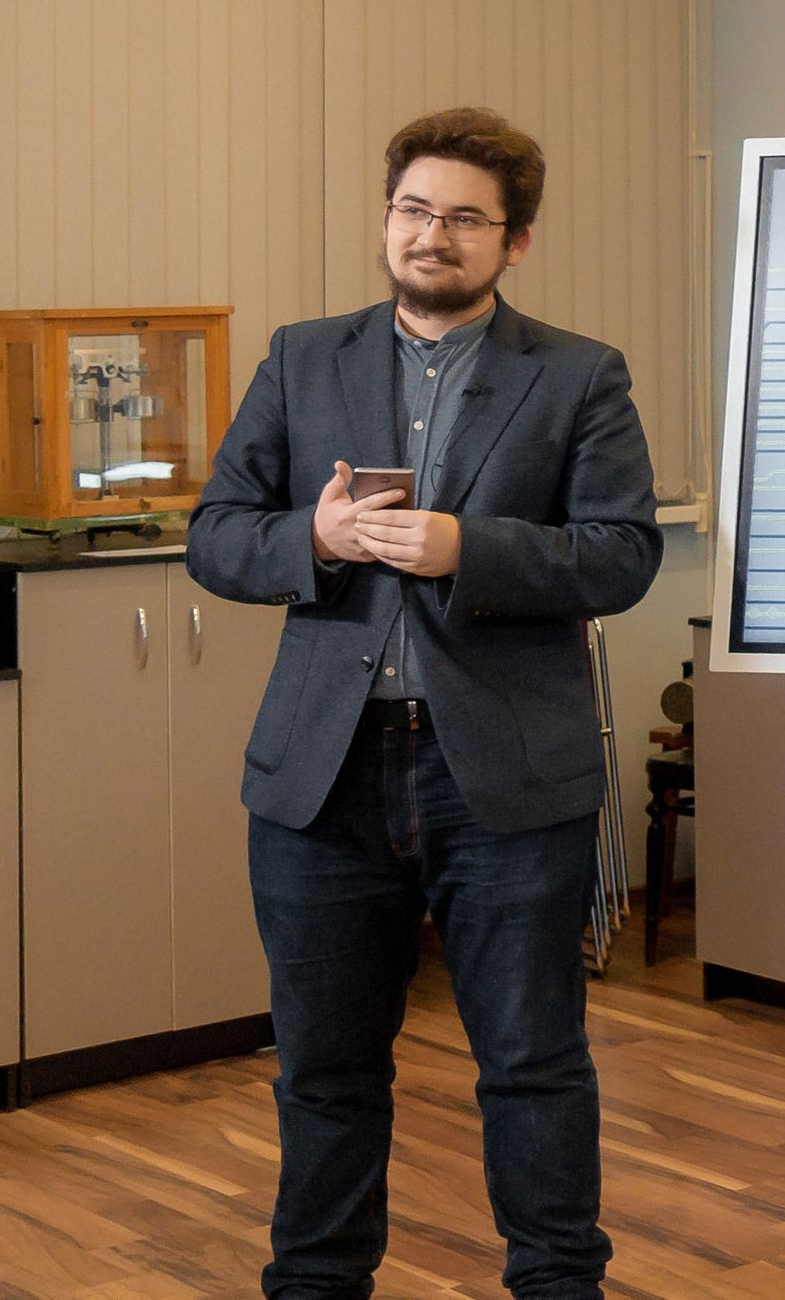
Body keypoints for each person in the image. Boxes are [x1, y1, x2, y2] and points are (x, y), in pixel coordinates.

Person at [186, 107, 664, 1300]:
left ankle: (560, 1284)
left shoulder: (577, 373)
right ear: (385, 216)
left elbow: (619, 555)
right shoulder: (304, 358)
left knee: (532, 1063)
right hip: (324, 777)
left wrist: (469, 547)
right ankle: (315, 1285)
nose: (431, 234)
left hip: (502, 774)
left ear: (517, 241)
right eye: (413, 208)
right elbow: (216, 536)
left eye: (463, 217)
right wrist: (320, 533)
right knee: (324, 1069)